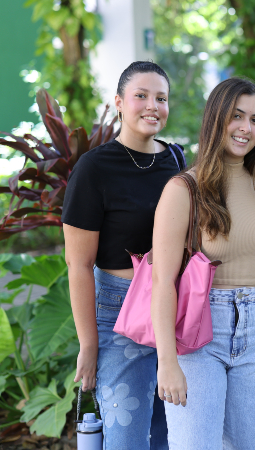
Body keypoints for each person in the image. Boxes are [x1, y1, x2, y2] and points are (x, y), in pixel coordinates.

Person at [150, 77, 255, 449]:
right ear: (216, 119)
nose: (246, 128)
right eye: (237, 116)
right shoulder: (184, 190)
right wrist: (167, 361)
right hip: (199, 331)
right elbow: (162, 281)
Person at [62, 61, 178, 450]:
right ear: (118, 103)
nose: (152, 106)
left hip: (175, 315)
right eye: (141, 96)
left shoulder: (176, 161)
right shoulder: (93, 169)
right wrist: (89, 344)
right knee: (127, 439)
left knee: (170, 437)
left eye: (161, 98)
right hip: (118, 315)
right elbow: (78, 266)